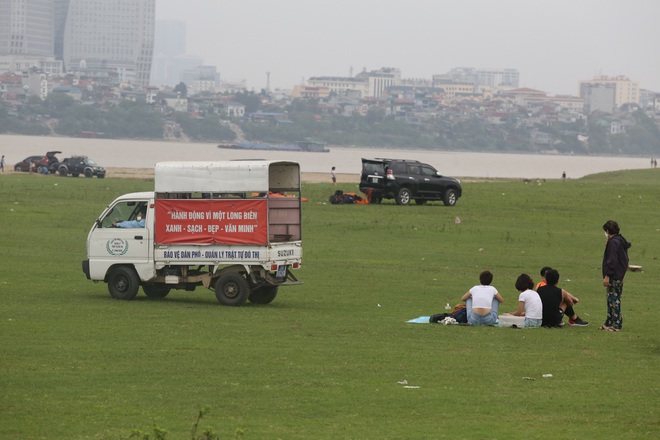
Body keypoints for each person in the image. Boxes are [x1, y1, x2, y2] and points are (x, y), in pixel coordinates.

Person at [601, 220, 631, 332]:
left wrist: (608, 275)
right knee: (611, 299)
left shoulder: (614, 243)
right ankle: (609, 322)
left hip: (614, 275)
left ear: (607, 230)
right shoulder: (619, 240)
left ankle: (616, 324)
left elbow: (612, 261)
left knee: (614, 300)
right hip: (619, 275)